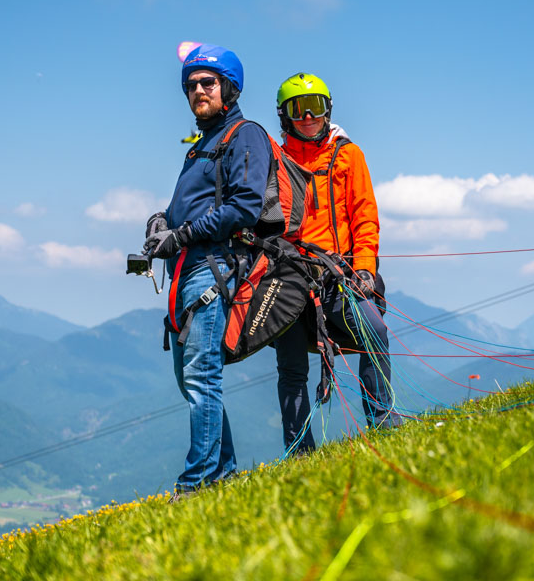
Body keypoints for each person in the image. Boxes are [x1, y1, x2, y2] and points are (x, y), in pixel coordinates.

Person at [144, 44, 271, 496]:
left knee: (200, 377)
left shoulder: (245, 135)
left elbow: (244, 207)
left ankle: (195, 484)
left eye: (208, 83)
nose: (198, 90)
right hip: (187, 269)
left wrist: (180, 235)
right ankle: (224, 475)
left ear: (229, 89)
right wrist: (163, 220)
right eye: (192, 84)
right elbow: (192, 205)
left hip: (212, 269)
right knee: (190, 379)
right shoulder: (202, 146)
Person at [274, 72, 401, 453]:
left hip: (341, 276)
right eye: (299, 109)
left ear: (328, 110)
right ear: (285, 116)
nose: (308, 116)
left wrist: (365, 267)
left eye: (316, 107)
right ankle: (299, 450)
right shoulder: (275, 162)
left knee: (374, 332)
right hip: (292, 279)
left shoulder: (348, 155)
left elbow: (365, 216)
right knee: (292, 366)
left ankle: (383, 423)